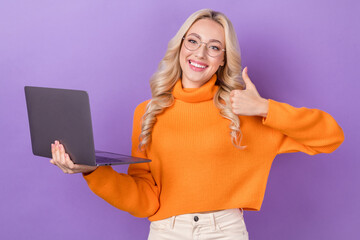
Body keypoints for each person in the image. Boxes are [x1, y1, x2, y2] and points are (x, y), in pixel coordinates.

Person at [50, 9, 344, 240]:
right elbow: (145, 200)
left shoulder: (242, 111)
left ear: (222, 60)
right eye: (193, 41)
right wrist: (91, 171)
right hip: (166, 233)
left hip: (225, 232)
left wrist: (265, 107)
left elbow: (330, 136)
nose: (200, 54)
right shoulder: (148, 112)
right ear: (180, 47)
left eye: (214, 47)